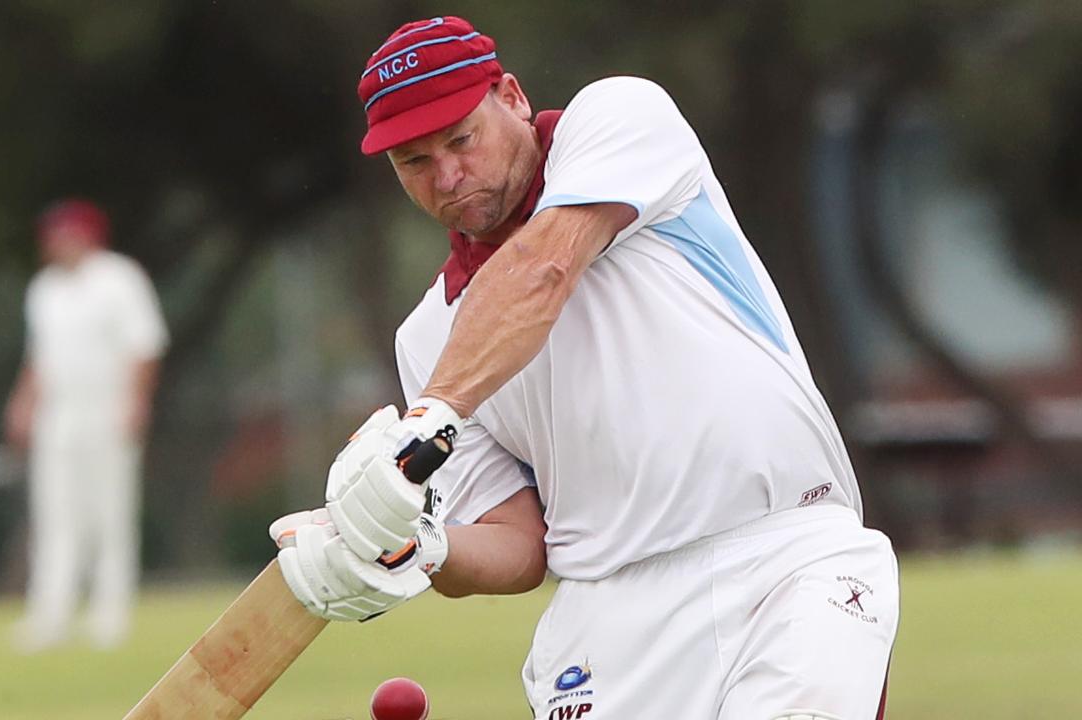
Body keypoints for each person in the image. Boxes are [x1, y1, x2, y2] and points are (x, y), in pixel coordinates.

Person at [270, 16, 899, 720]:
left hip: (785, 554)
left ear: (510, 97)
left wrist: (425, 425)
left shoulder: (620, 119)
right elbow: (517, 545)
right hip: (609, 619)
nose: (447, 176)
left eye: (461, 139)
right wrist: (418, 544)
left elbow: (543, 267)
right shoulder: (428, 339)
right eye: (414, 162)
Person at [4, 199, 168, 652]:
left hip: (107, 409)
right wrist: (23, 404)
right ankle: (49, 614)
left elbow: (144, 345)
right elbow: (39, 357)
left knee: (109, 514)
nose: (55, 243)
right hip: (59, 414)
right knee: (55, 515)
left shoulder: (118, 279)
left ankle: (109, 615)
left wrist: (135, 402)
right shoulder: (45, 289)